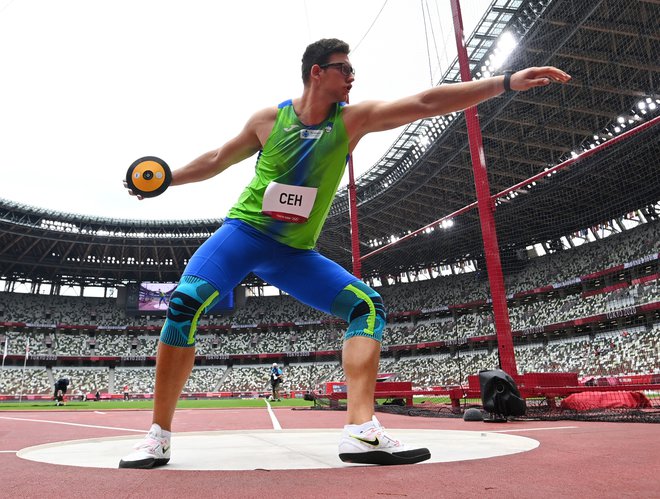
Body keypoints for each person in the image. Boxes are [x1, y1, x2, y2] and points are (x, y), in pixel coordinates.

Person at [118, 38, 570, 469]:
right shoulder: (268, 121)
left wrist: (505, 82)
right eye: (345, 69)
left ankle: (360, 430)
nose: (353, 77)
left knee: (367, 306)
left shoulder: (351, 120)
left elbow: (427, 102)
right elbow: (217, 158)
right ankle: (158, 434)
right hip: (244, 234)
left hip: (293, 253)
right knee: (183, 304)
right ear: (317, 72)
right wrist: (166, 179)